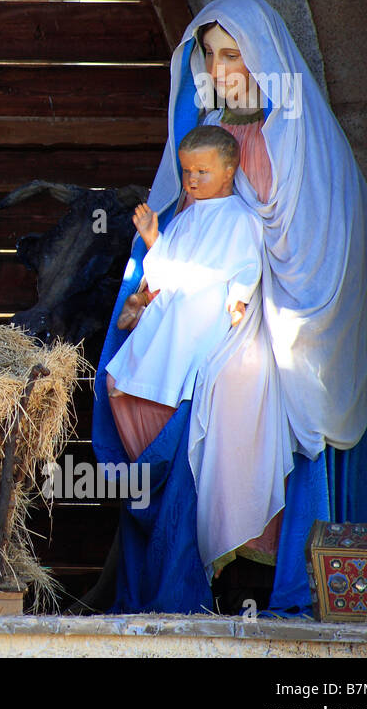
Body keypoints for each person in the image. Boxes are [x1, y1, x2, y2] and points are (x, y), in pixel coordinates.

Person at [93, 0, 367, 614]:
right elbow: (190, 226)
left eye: (231, 53)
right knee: (156, 375)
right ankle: (200, 568)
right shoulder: (211, 138)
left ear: (262, 56)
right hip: (221, 298)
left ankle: (268, 572)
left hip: (292, 306)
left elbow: (322, 245)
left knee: (243, 385)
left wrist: (252, 285)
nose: (218, 69)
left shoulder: (298, 135)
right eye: (208, 55)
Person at [105, 125, 291, 580]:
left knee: (184, 373)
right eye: (187, 172)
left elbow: (246, 265)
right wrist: (153, 238)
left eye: (202, 172)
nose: (191, 181)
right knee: (117, 381)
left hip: (204, 319)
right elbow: (167, 270)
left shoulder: (242, 218)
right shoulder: (185, 217)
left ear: (230, 170)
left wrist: (238, 297)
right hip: (174, 315)